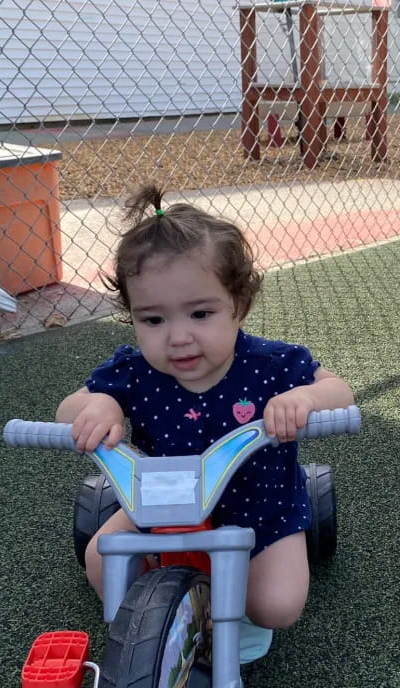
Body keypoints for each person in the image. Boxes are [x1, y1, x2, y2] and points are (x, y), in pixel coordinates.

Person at [56, 184, 354, 661]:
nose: (178, 337)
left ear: (239, 303)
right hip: (161, 504)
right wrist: (100, 407)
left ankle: (229, 605)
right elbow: (70, 409)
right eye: (152, 320)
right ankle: (157, 628)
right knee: (99, 560)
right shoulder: (135, 371)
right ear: (131, 316)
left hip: (261, 510)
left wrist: (306, 398)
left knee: (276, 606)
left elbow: (339, 392)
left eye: (200, 313)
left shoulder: (271, 365)